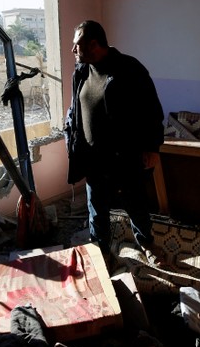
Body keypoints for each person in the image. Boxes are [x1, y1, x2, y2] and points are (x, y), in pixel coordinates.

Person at [64, 20, 166, 265]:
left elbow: (152, 111)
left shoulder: (130, 69)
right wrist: (70, 133)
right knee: (96, 209)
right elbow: (74, 108)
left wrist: (152, 147)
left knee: (136, 204)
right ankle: (102, 253)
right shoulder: (80, 72)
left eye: (77, 45)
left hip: (125, 155)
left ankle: (147, 243)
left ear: (94, 44)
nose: (73, 50)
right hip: (93, 157)